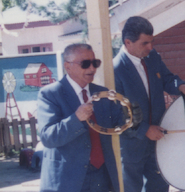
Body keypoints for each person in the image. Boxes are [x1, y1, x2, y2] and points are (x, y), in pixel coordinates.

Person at [113, 16, 185, 192]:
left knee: (160, 187)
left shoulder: (152, 57)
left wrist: (181, 86)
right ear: (128, 42)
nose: (151, 47)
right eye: (145, 43)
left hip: (159, 142)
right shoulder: (115, 69)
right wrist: (144, 129)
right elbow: (117, 113)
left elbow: (167, 79)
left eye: (151, 42)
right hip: (131, 146)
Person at [37, 43, 123, 191]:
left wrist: (132, 117)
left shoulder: (102, 93)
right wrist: (76, 119)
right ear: (67, 66)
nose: (92, 68)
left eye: (95, 63)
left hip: (101, 176)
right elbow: (48, 137)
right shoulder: (50, 94)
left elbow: (120, 124)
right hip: (67, 180)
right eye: (85, 64)